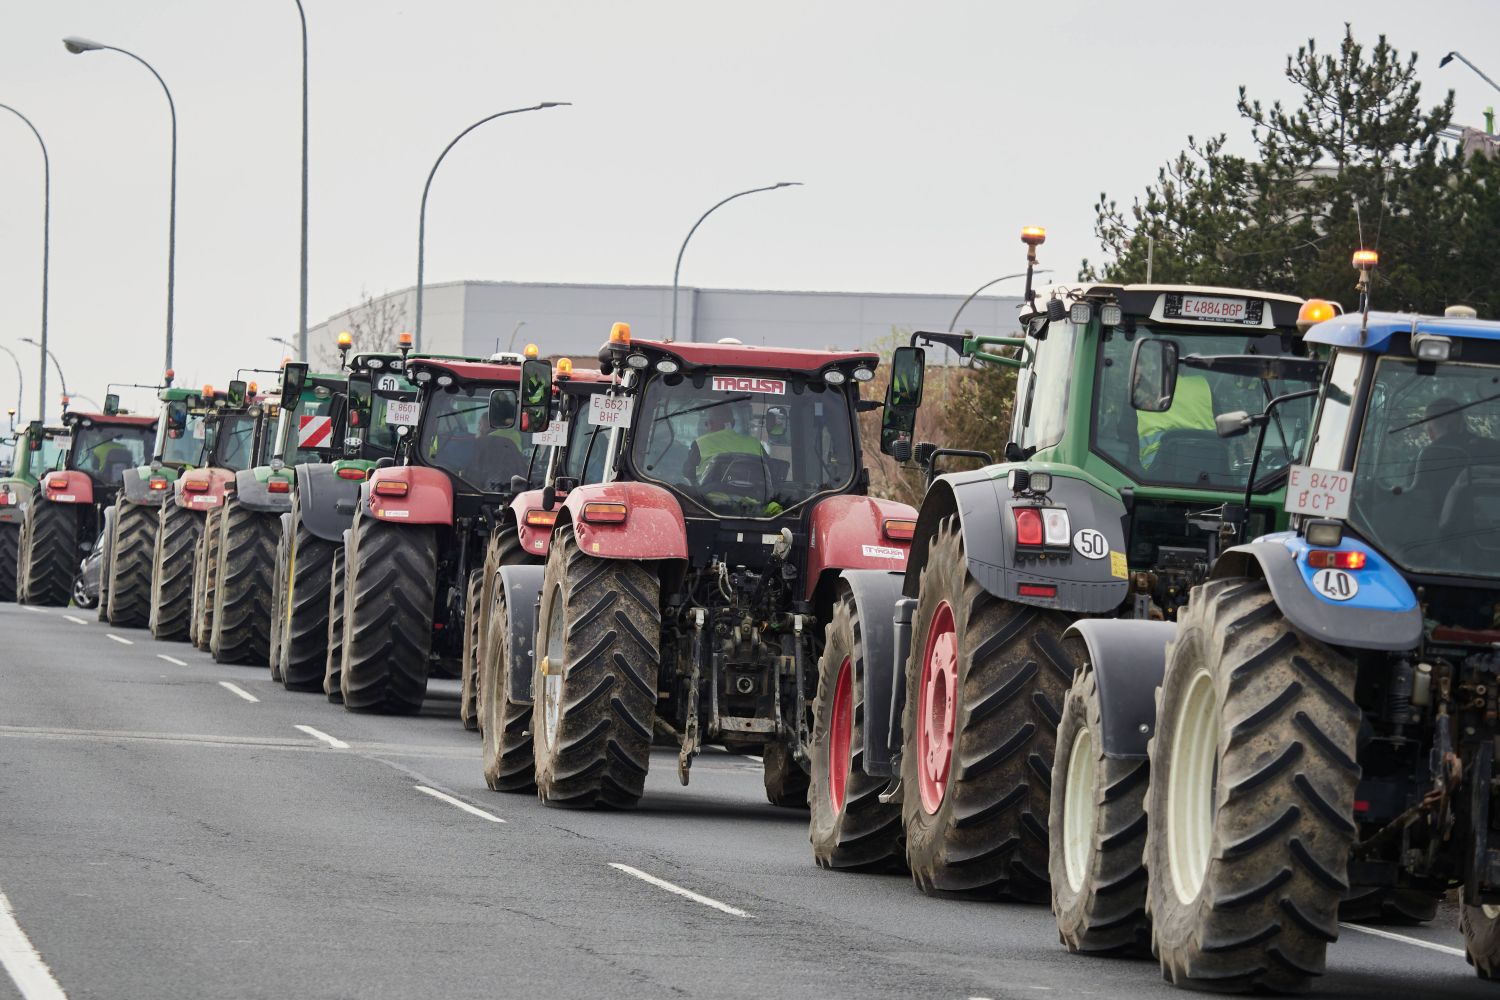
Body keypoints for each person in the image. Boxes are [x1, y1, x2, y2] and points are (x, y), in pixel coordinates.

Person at [1136, 372, 1216, 467]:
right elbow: (1224, 430)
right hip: (1209, 471)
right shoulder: (1203, 387)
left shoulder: (1137, 394)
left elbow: (1124, 436)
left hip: (1150, 476)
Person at [686, 400, 764, 484]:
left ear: (710, 424)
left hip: (706, 496)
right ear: (733, 423)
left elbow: (687, 473)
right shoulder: (754, 444)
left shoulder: (700, 444)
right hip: (751, 496)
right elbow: (769, 472)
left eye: (706, 424)